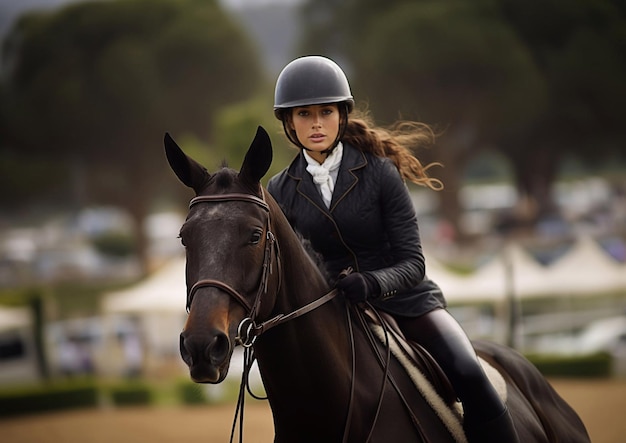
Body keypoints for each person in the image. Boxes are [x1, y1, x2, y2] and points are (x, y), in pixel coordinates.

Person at [267, 55, 519, 443]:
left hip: (407, 303)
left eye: (325, 112)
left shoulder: (379, 172)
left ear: (341, 116)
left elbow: (414, 262)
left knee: (469, 372)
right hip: (333, 312)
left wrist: (372, 284)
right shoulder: (280, 190)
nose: (316, 123)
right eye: (304, 114)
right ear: (288, 122)